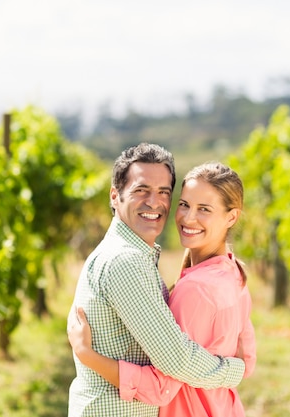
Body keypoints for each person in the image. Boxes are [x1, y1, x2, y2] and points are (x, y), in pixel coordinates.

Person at [67, 144, 247, 417]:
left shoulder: (141, 259)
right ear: (115, 196)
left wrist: (87, 355)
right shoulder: (124, 262)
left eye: (163, 192)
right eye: (141, 190)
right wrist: (235, 370)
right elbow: (176, 360)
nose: (154, 202)